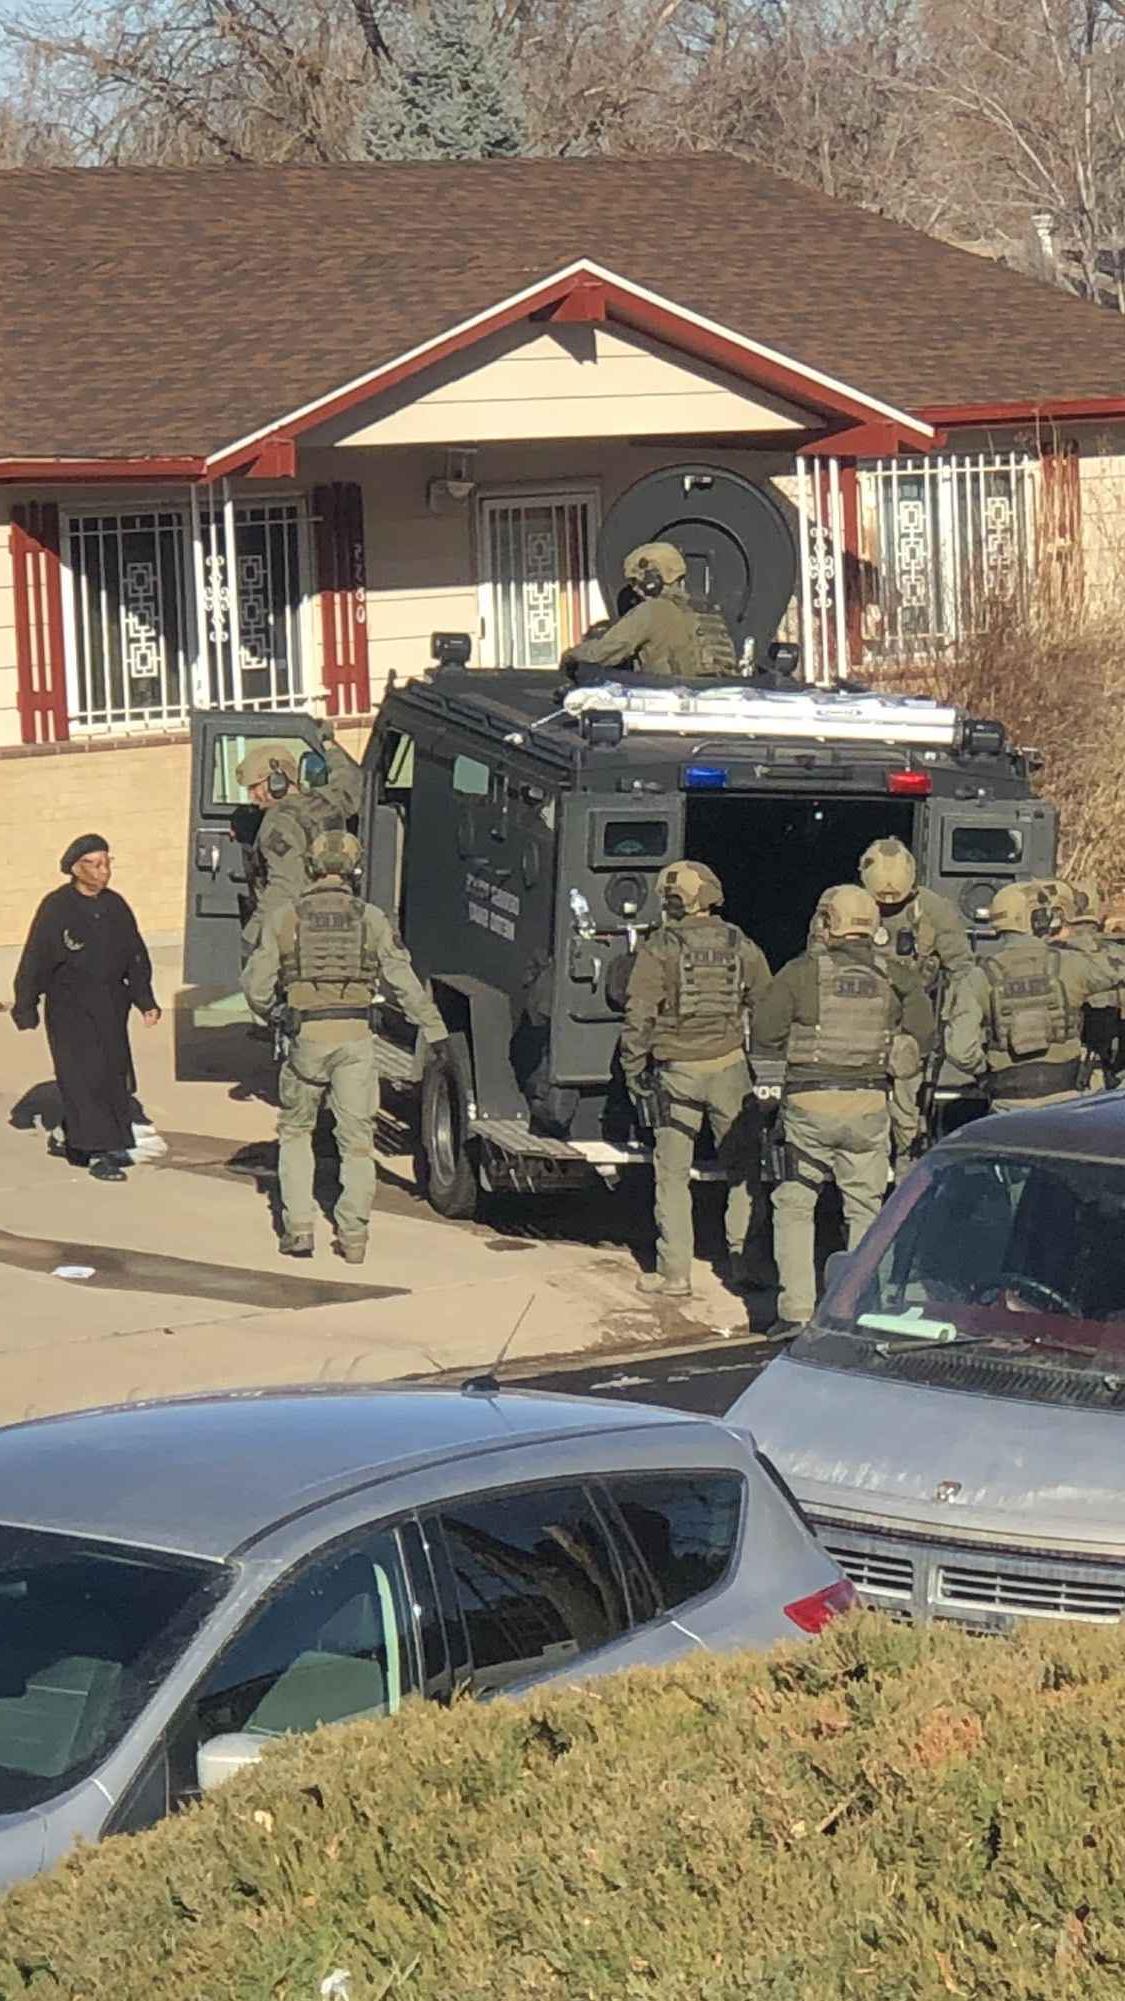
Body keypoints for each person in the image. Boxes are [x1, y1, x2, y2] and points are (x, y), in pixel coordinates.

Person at [242, 829, 450, 1261]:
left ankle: (299, 1227)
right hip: (356, 1038)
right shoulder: (370, 918)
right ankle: (353, 1237)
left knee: (296, 1132)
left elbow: (256, 985)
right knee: (356, 1142)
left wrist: (276, 1013)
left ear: (313, 868)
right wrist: (435, 1031)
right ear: (354, 869)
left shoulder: (286, 917)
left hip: (306, 1039)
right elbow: (403, 983)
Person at [755, 884, 934, 1334]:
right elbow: (925, 1035)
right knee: (865, 1206)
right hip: (869, 1104)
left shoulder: (801, 973)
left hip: (809, 1104)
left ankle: (795, 1312)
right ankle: (854, 1310)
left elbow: (765, 1032)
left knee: (795, 1204)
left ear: (828, 922)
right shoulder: (897, 976)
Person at [620, 860, 771, 1300]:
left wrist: (634, 1070)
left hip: (677, 1073)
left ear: (672, 901)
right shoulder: (738, 942)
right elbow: (766, 1000)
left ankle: (674, 1275)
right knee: (744, 1173)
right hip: (729, 1067)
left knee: (671, 1176)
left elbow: (639, 1014)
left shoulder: (659, 947)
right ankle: (746, 1264)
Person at [10, 835, 161, 1182]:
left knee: (111, 1075)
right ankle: (99, 1153)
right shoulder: (57, 907)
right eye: (93, 863)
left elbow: (136, 956)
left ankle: (81, 1140)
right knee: (82, 1077)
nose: (103, 870)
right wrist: (26, 1004)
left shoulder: (116, 906)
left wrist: (145, 1000)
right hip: (69, 1007)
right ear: (75, 869)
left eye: (106, 861)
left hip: (110, 1005)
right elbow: (36, 958)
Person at [858, 836, 972, 1164]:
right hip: (860, 1023)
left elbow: (962, 967)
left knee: (907, 1113)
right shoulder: (846, 904)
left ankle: (906, 1169)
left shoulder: (933, 909)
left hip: (911, 1024)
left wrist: (956, 1022)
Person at [945, 882, 1106, 1111]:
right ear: (1033, 919)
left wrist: (987, 1070)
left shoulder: (978, 977)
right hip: (1069, 1099)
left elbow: (961, 1051)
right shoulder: (1070, 964)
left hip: (1008, 1103)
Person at [237, 719, 363, 946]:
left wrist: (252, 936)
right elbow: (348, 780)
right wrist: (328, 743)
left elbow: (285, 888)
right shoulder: (327, 800)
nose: (253, 798)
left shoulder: (279, 823)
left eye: (255, 787)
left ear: (277, 781)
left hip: (305, 933)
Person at [561, 543, 738, 681]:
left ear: (652, 580)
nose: (636, 590)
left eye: (637, 582)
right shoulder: (705, 613)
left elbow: (603, 653)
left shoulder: (652, 611)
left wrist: (571, 655)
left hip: (666, 706)